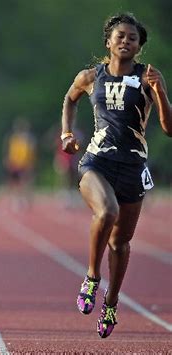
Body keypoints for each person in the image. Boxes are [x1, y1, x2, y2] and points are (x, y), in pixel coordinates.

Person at [61, 13, 171, 338]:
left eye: (132, 38)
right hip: (97, 161)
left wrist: (161, 91)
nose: (125, 41)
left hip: (133, 167)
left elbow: (168, 127)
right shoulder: (90, 76)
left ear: (139, 47)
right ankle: (93, 277)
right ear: (108, 41)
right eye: (120, 35)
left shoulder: (148, 77)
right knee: (106, 211)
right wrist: (66, 133)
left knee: (121, 243)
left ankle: (111, 301)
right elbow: (69, 98)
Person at [3, 118, 36, 210]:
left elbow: (32, 152)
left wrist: (30, 163)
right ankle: (17, 200)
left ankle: (26, 200)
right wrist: (8, 161)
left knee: (25, 182)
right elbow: (9, 151)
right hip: (15, 164)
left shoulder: (29, 139)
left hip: (25, 164)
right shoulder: (13, 138)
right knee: (15, 183)